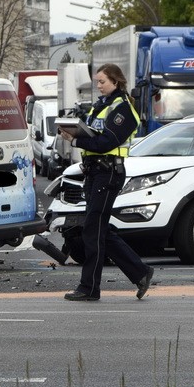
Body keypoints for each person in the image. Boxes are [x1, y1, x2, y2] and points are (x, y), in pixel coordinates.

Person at [58, 63, 155, 301]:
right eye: (97, 82)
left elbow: (105, 143)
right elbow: (93, 136)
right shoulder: (100, 107)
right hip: (94, 173)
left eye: (102, 81)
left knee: (93, 228)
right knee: (99, 229)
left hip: (108, 172)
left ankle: (89, 288)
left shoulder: (124, 111)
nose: (98, 86)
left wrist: (75, 141)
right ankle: (140, 272)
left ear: (116, 81)